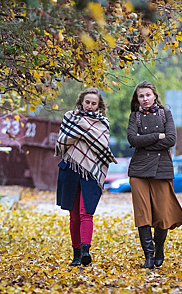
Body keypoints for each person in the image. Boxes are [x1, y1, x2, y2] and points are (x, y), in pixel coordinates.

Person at [127, 81, 182, 269]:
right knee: (142, 214)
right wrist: (156, 136)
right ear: (137, 99)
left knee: (162, 214)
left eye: (147, 95)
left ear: (154, 96)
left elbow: (170, 140)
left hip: (162, 169)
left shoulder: (165, 114)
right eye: (141, 96)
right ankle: (149, 256)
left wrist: (145, 142)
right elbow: (132, 139)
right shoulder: (134, 116)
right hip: (138, 170)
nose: (144, 99)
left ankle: (159, 247)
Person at [55, 88, 117, 266]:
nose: (90, 106)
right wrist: (83, 134)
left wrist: (82, 135)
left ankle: (85, 251)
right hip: (70, 169)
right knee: (73, 216)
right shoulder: (70, 118)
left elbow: (103, 147)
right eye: (87, 102)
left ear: (99, 105)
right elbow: (61, 142)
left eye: (93, 103)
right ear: (81, 102)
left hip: (92, 171)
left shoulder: (102, 123)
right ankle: (75, 255)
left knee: (86, 213)